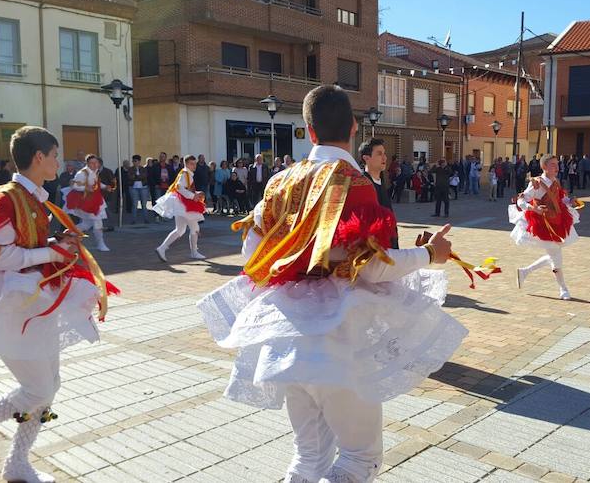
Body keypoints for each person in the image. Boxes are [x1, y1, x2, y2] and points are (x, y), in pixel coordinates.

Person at [198, 85, 466, 483]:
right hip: (336, 338)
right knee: (360, 459)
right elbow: (372, 269)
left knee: (309, 457)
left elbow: (252, 258)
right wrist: (430, 255)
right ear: (355, 128)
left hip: (284, 335)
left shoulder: (278, 184)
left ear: (308, 131)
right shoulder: (356, 186)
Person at [0, 126, 116, 483]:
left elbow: (25, 244)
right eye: (55, 154)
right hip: (10, 307)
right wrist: (51, 250)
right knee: (38, 389)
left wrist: (55, 241)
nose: (59, 160)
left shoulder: (32, 197)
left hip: (31, 303)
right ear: (39, 157)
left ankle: (17, 463)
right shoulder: (6, 198)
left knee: (50, 385)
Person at [509, 155, 579, 300]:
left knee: (554, 254)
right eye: (553, 165)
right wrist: (534, 209)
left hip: (558, 221)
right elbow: (522, 199)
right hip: (543, 224)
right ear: (544, 167)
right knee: (556, 255)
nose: (557, 167)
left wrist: (570, 201)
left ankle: (525, 272)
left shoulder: (556, 181)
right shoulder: (536, 183)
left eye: (557, 164)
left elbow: (560, 198)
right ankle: (563, 288)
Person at [154, 155, 207, 262]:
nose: (194, 166)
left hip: (181, 204)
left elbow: (184, 189)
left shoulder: (186, 173)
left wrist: (195, 194)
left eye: (195, 163)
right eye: (192, 164)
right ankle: (194, 252)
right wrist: (193, 196)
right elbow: (179, 187)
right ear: (186, 164)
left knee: (180, 229)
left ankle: (162, 248)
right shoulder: (185, 173)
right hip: (183, 204)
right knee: (194, 228)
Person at [65, 155, 110, 252]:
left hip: (96, 199)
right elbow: (74, 185)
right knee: (97, 221)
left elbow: (96, 184)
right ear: (87, 163)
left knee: (87, 223)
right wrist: (85, 188)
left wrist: (105, 187)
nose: (95, 165)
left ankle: (69, 235)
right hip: (86, 202)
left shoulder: (96, 172)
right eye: (92, 163)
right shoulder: (82, 173)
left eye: (96, 163)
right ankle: (100, 243)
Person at [359, 139, 398, 249]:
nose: (384, 158)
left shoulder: (381, 182)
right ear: (366, 158)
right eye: (379, 154)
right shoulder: (362, 185)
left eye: (384, 153)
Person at [129, 154, 150, 224]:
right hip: (133, 188)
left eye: (136, 161)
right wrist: (137, 176)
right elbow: (130, 177)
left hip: (143, 188)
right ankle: (133, 220)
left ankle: (146, 219)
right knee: (134, 204)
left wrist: (136, 177)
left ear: (139, 161)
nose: (134, 162)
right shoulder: (131, 169)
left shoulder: (143, 169)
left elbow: (144, 176)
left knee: (144, 204)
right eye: (133, 161)